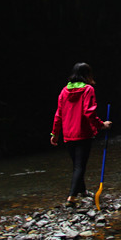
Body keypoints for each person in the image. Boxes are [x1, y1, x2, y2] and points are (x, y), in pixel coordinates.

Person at [50, 62, 113, 206]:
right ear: (87, 75)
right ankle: (71, 197)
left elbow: (58, 114)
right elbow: (89, 111)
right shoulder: (88, 89)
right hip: (82, 132)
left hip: (68, 133)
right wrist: (101, 124)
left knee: (76, 165)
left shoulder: (64, 91)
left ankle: (82, 191)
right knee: (80, 166)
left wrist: (55, 133)